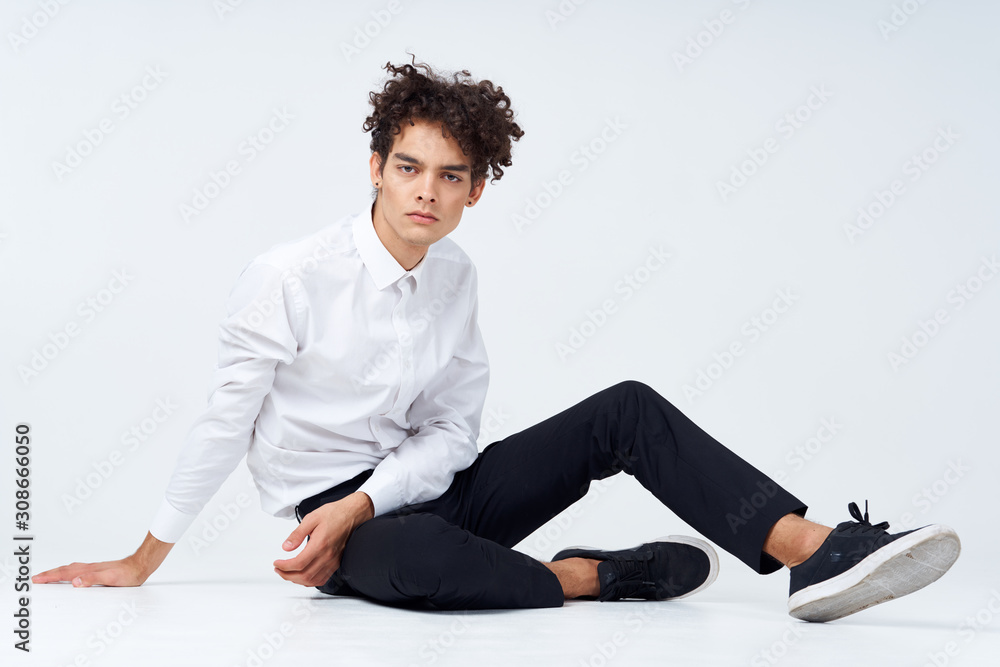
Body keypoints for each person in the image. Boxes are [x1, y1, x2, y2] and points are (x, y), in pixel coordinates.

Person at [34, 58, 961, 622]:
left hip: (422, 491)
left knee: (626, 409)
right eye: (406, 168)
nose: (424, 192)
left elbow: (449, 435)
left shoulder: (455, 276)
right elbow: (222, 423)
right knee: (426, 569)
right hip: (333, 529)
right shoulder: (289, 275)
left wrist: (375, 497)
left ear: (476, 189)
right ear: (375, 167)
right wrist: (144, 556)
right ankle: (594, 577)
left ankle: (813, 550)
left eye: (449, 175)